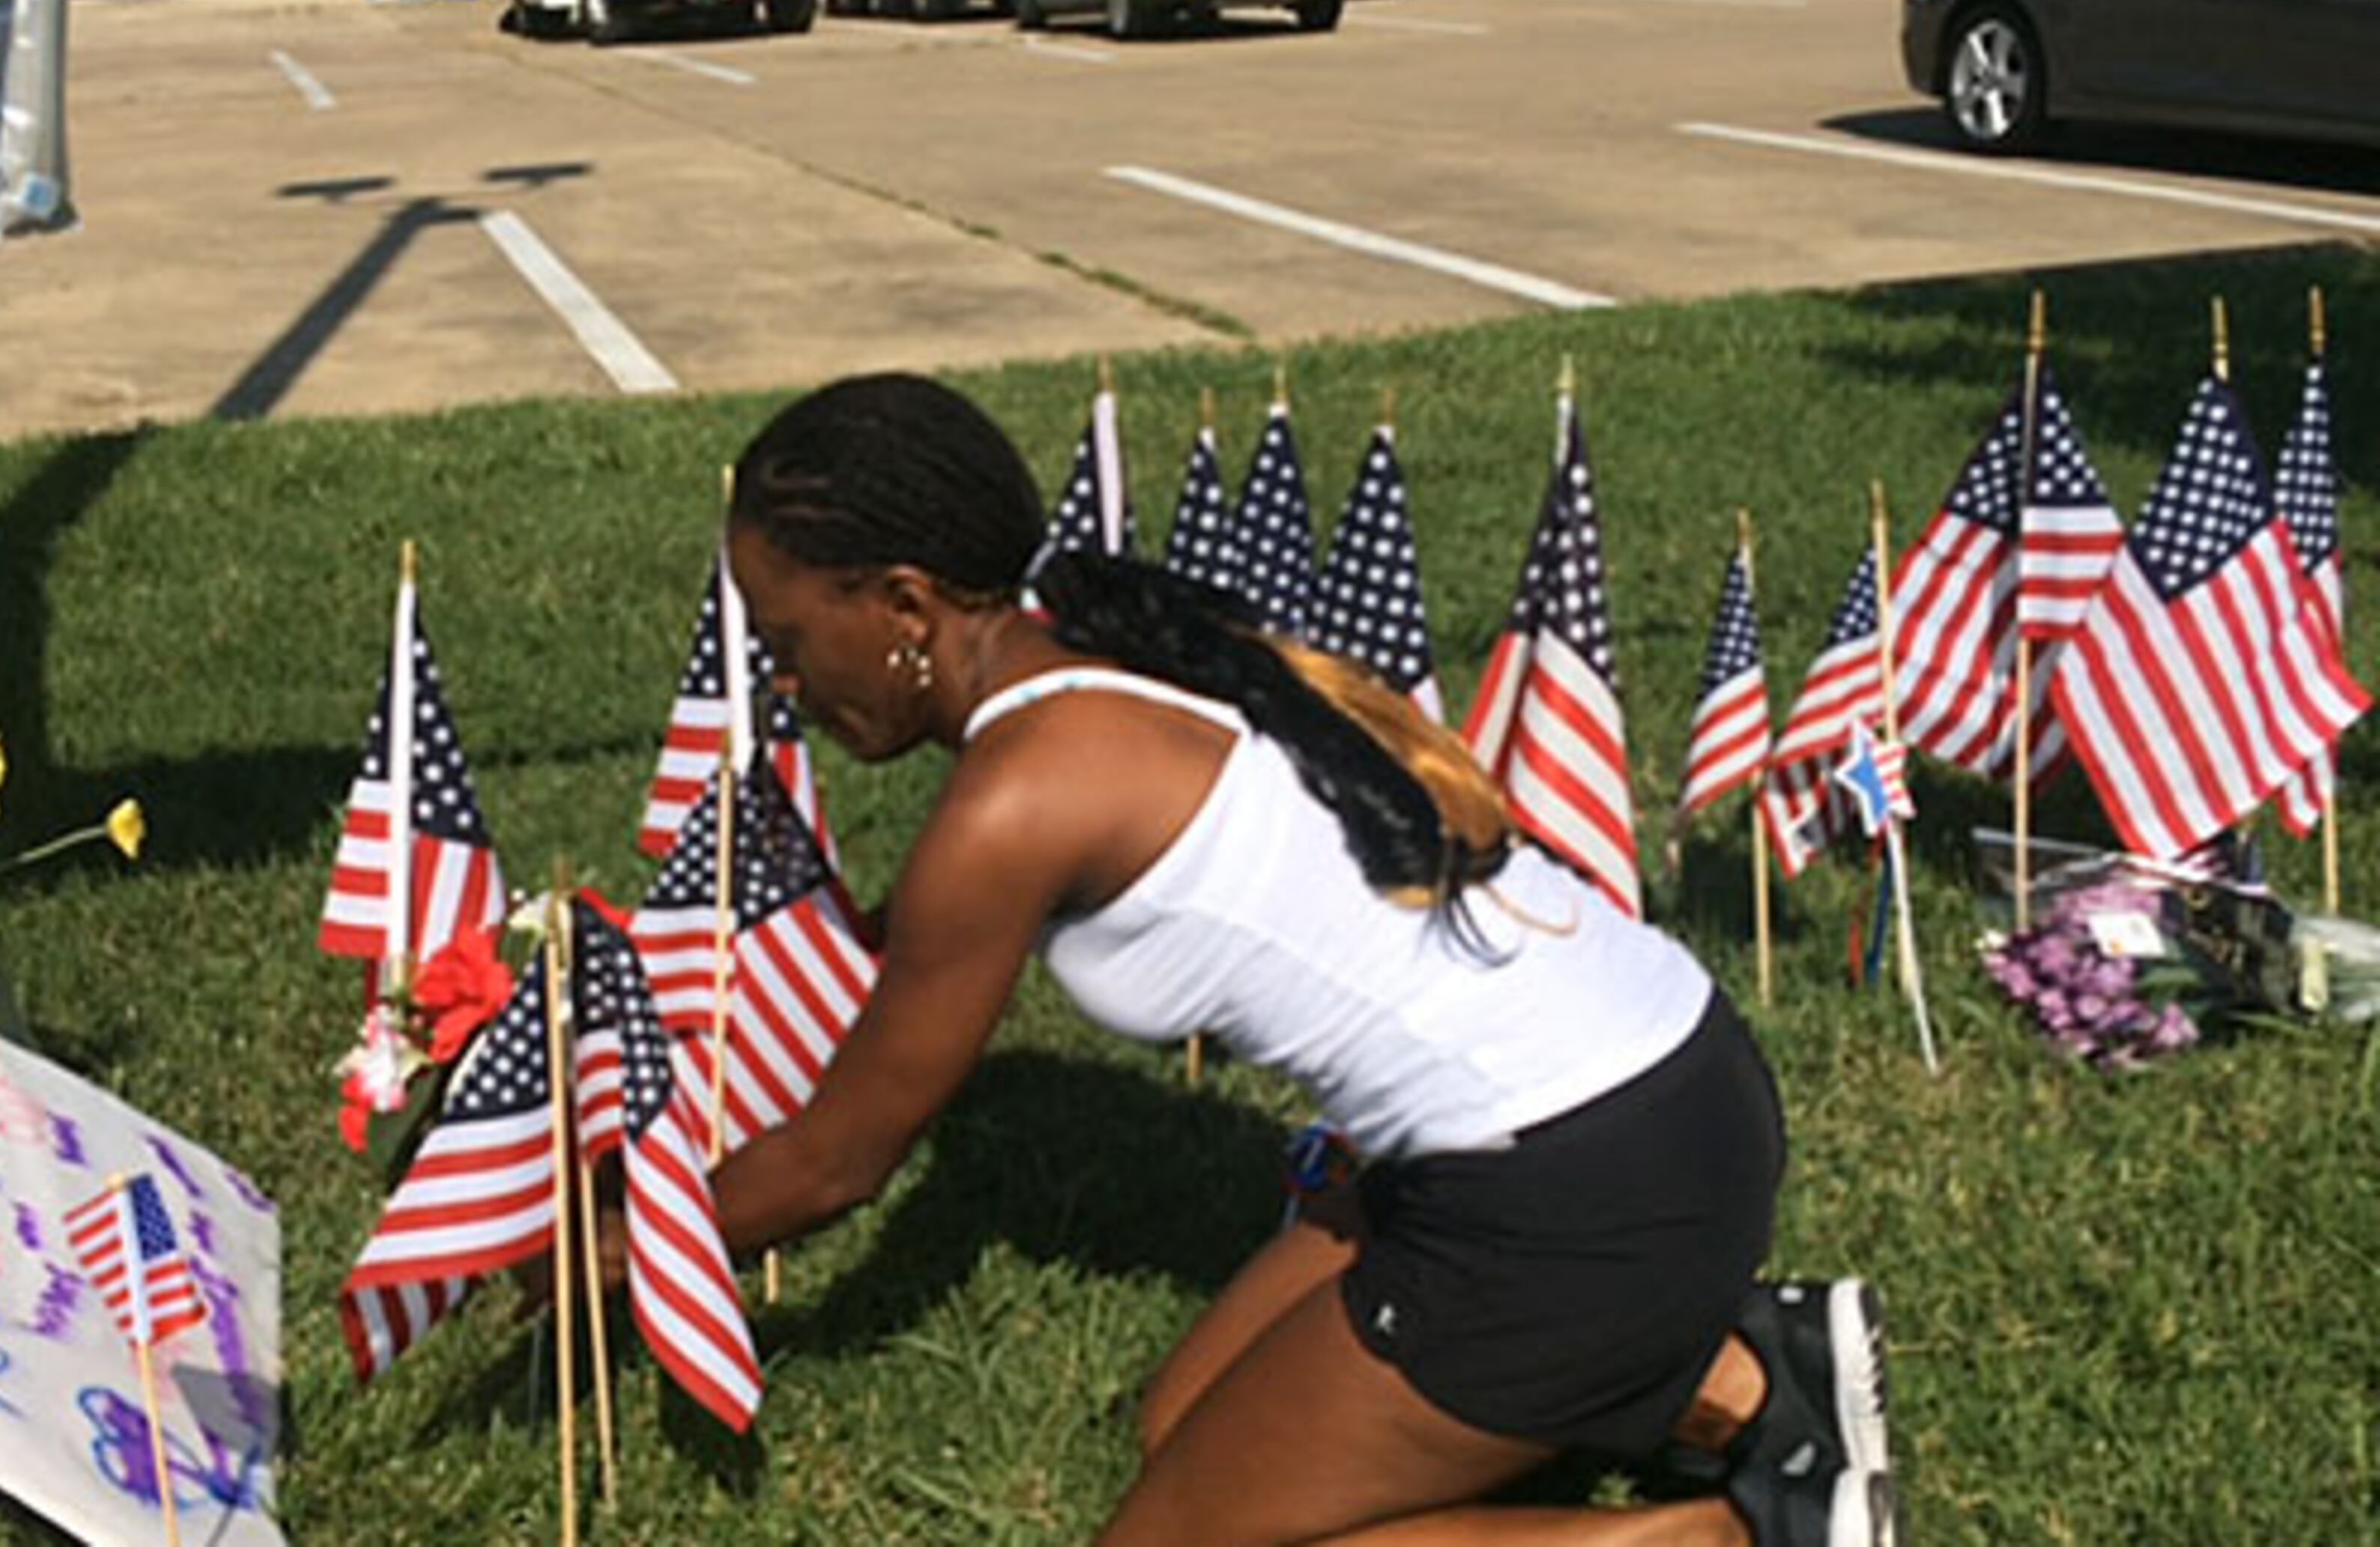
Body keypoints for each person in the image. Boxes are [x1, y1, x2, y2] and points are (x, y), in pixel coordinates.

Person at [690, 372, 1897, 1547]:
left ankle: (1748, 1530)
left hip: (1572, 1185)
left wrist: (624, 1247)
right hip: (1674, 1078)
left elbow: (837, 1164)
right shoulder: (1109, 649)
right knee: (1181, 1431)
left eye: (791, 641)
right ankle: (1748, 1374)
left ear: (906, 605)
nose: (785, 687)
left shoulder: (1018, 802)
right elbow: (894, 955)